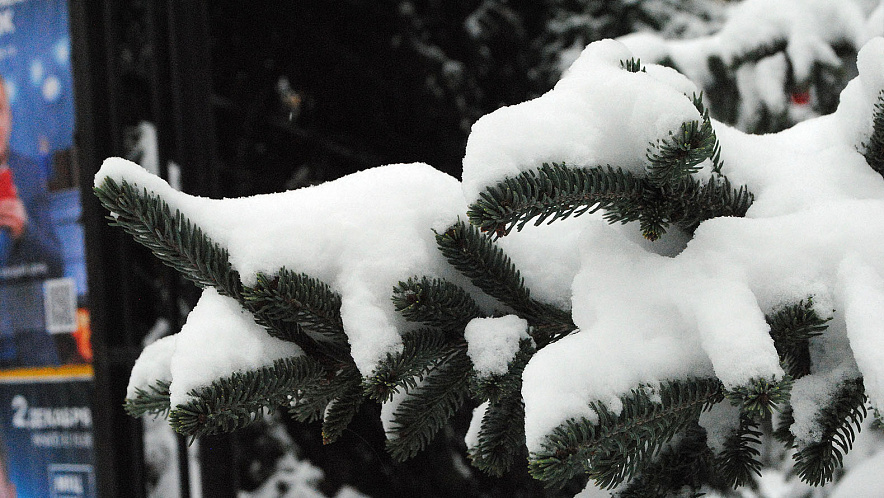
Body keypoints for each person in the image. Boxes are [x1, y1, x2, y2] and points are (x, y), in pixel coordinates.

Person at [0, 75, 64, 368]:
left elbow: (57, 265)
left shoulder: (27, 174)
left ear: (10, 117)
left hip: (31, 346)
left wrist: (26, 230)